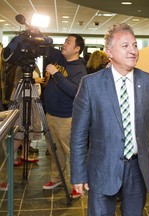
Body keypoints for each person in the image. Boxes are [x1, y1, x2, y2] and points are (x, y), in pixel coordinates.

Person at [70, 23, 149, 215]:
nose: (132, 51)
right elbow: (78, 135)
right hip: (101, 168)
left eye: (134, 45)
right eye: (125, 46)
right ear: (109, 52)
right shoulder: (91, 85)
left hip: (137, 169)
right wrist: (78, 174)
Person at [42, 34, 87, 199]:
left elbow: (74, 91)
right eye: (65, 41)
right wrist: (39, 34)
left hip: (67, 118)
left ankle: (78, 184)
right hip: (50, 115)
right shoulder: (59, 58)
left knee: (72, 152)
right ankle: (57, 178)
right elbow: (47, 47)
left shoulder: (80, 69)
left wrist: (56, 73)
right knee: (54, 150)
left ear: (77, 49)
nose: (64, 44)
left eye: (68, 42)